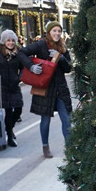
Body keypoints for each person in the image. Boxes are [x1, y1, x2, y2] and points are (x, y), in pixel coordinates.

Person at [21, 21, 72, 158]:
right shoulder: (41, 44)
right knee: (45, 120)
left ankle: (70, 149)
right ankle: (45, 146)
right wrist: (31, 66)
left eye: (59, 31)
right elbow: (22, 53)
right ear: (49, 32)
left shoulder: (62, 47)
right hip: (45, 88)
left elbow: (69, 68)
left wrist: (60, 57)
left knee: (66, 120)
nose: (57, 33)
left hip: (60, 89)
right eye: (54, 31)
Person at [0, 30, 38, 147]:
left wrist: (19, 78)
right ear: (4, 41)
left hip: (14, 85)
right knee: (8, 111)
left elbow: (24, 66)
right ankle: (9, 135)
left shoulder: (19, 52)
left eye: (13, 40)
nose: (11, 43)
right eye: (8, 40)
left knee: (18, 109)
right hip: (2, 86)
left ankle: (9, 128)